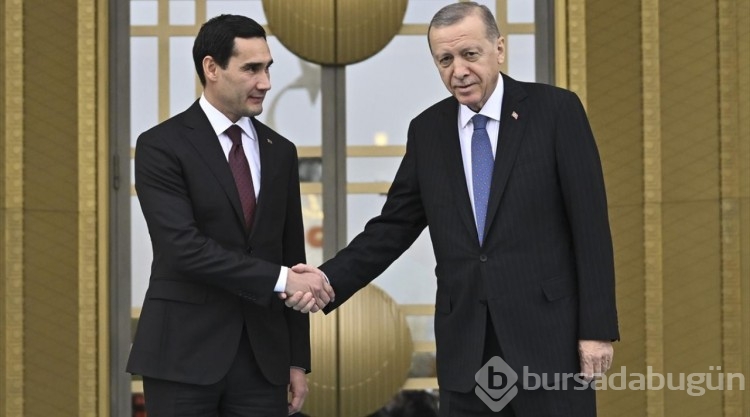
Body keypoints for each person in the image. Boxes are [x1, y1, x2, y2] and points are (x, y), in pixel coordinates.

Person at [288, 2, 619, 416]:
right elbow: (392, 228)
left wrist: (597, 331)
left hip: (549, 343)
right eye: (445, 60)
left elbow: (590, 227)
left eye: (469, 54)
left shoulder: (556, 111)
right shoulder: (428, 131)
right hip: (467, 348)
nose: (458, 70)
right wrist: (327, 278)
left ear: (499, 49)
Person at [126, 14, 334, 417]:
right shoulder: (160, 146)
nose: (266, 82)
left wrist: (296, 360)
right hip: (183, 355)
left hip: (263, 361)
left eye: (268, 68)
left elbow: (292, 254)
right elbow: (183, 248)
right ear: (211, 68)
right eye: (251, 69)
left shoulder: (280, 151)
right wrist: (280, 279)